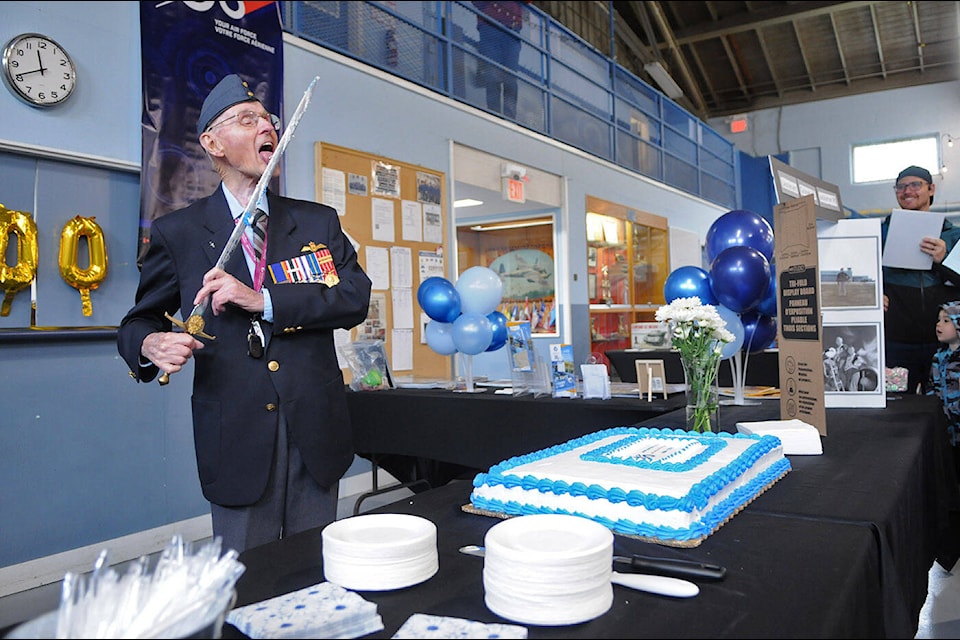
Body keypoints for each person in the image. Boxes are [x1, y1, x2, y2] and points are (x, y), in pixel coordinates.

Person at [117, 74, 372, 553]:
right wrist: (152, 345)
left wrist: (265, 300)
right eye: (246, 118)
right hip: (234, 436)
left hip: (315, 429)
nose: (265, 127)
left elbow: (354, 297)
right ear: (212, 143)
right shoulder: (179, 232)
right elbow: (138, 323)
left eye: (268, 119)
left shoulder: (317, 221)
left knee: (313, 574)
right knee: (245, 580)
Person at [882, 165, 960, 394]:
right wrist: (874, 292)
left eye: (915, 184)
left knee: (946, 404)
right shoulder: (880, 234)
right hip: (896, 342)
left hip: (946, 343)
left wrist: (943, 260)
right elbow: (863, 276)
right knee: (897, 407)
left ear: (931, 189)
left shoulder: (953, 236)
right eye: (901, 186)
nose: (907, 191)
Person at [473, 1, 528, 119]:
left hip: (510, 28)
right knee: (492, 76)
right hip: (490, 25)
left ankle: (509, 117)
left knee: (510, 78)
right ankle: (495, 114)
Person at [927, 301, 960, 479]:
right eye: (939, 320)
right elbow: (932, 387)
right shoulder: (938, 357)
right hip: (944, 428)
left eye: (946, 321)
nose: (939, 325)